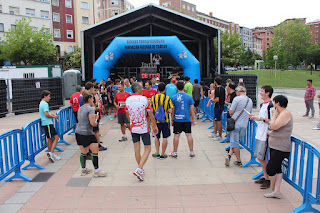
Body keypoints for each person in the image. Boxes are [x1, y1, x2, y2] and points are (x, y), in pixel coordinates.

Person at [126, 82, 158, 181]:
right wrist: (154, 125)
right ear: (138, 89)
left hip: (133, 127)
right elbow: (150, 114)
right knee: (147, 149)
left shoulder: (128, 100)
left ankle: (140, 170)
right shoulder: (144, 99)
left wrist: (131, 122)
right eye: (142, 87)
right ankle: (139, 169)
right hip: (143, 127)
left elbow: (127, 114)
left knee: (137, 149)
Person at [264, 95, 292, 199]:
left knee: (271, 169)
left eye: (274, 103)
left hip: (281, 147)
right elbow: (274, 128)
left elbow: (274, 126)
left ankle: (273, 187)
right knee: (277, 169)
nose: (273, 105)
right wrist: (270, 133)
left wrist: (274, 115)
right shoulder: (281, 114)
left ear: (278, 104)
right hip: (275, 145)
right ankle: (276, 191)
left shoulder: (285, 114)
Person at [75, 91, 105, 177]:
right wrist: (96, 119)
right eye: (92, 99)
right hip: (87, 132)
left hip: (78, 132)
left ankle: (84, 169)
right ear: (89, 99)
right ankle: (97, 170)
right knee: (95, 151)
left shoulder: (80, 108)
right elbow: (92, 123)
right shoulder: (90, 109)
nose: (93, 100)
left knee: (83, 152)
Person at [249, 85, 274, 189]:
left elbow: (272, 121)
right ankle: (265, 176)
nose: (260, 93)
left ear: (267, 93)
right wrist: (256, 118)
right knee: (260, 157)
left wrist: (260, 119)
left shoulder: (271, 105)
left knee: (261, 157)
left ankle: (268, 178)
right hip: (259, 133)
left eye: (262, 91)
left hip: (265, 135)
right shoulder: (262, 104)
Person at [225, 86, 253, 166]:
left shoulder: (236, 99)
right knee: (235, 142)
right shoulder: (249, 100)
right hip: (245, 124)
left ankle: (239, 160)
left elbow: (231, 112)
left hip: (235, 124)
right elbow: (250, 112)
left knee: (235, 143)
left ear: (237, 91)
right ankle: (229, 155)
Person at [170, 81, 195, 158]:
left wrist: (172, 119)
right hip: (186, 119)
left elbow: (172, 109)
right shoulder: (189, 97)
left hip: (177, 119)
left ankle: (175, 152)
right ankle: (191, 152)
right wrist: (193, 118)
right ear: (184, 87)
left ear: (176, 87)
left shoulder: (173, 97)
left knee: (176, 136)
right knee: (189, 135)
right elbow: (192, 108)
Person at [150, 82, 173, 159]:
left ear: (157, 89)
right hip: (165, 121)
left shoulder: (153, 98)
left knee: (157, 137)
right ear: (165, 89)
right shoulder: (167, 98)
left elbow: (151, 110)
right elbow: (170, 110)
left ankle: (157, 152)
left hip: (156, 121)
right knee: (165, 137)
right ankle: (163, 154)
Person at [39, 90, 61, 162]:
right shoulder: (45, 104)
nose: (49, 98)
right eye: (48, 96)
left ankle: (51, 153)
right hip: (47, 123)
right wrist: (53, 117)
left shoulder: (41, 103)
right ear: (45, 96)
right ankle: (51, 153)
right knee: (55, 138)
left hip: (46, 123)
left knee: (50, 139)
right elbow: (46, 114)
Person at [92, 85, 107, 151]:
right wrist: (97, 107)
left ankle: (96, 142)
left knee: (96, 129)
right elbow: (92, 106)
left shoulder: (96, 95)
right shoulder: (91, 97)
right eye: (94, 90)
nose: (95, 91)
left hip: (96, 113)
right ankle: (97, 145)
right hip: (94, 114)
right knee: (95, 130)